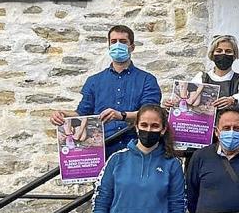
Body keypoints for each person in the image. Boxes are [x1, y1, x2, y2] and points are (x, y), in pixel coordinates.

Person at [50, 25, 161, 156]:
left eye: (123, 41)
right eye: (114, 42)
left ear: (132, 47)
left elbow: (151, 115)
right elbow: (83, 114)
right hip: (102, 151)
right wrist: (63, 114)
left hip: (137, 150)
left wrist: (121, 115)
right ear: (109, 46)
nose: (118, 45)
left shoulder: (147, 80)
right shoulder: (94, 81)